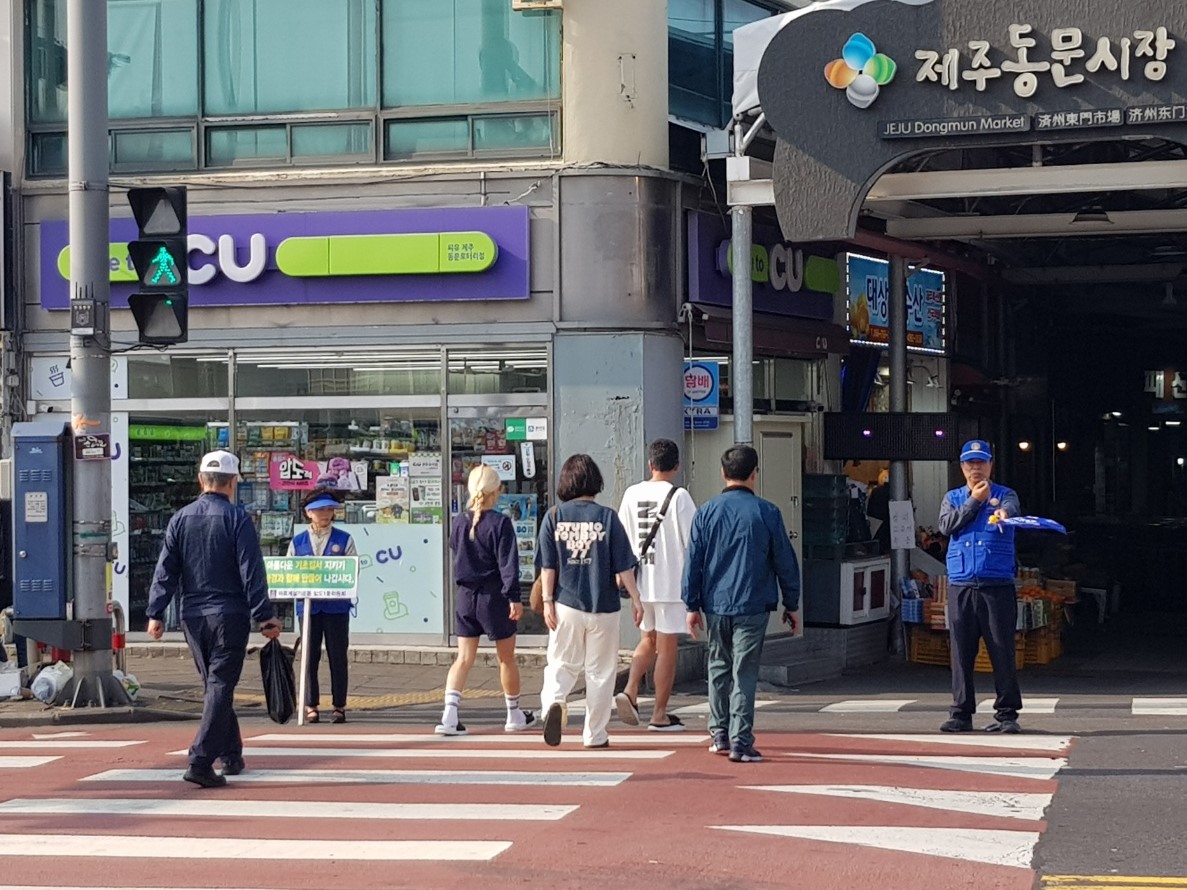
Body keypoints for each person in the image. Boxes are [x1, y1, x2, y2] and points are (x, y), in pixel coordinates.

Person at [146, 450, 281, 789]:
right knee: (220, 685)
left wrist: (155, 612)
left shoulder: (180, 518)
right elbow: (252, 571)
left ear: (200, 479)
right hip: (230, 614)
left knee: (215, 686)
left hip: (192, 615)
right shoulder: (237, 518)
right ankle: (201, 759)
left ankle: (231, 754)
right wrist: (264, 616)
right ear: (233, 482)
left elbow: (166, 569)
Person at [683, 445, 801, 764]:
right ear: (755, 474)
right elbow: (785, 563)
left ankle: (719, 732)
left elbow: (693, 561)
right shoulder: (768, 512)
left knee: (718, 665)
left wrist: (691, 605)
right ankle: (741, 739)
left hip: (715, 603)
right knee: (744, 670)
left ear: (723, 473)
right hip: (753, 602)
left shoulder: (706, 512)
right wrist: (792, 603)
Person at [536, 454, 643, 748]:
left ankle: (554, 704)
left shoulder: (554, 516)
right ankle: (595, 734)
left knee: (561, 663)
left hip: (566, 605)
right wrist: (636, 599)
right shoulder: (607, 517)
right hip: (604, 607)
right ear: (595, 481)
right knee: (600, 672)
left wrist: (547, 602)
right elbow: (624, 566)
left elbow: (548, 567)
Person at [437, 465, 535, 735]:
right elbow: (508, 565)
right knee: (506, 659)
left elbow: (455, 550)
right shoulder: (500, 523)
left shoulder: (459, 522)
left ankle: (449, 715)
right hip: (494, 598)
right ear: (497, 491)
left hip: (465, 597)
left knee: (463, 658)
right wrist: (514, 598)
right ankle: (514, 714)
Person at [937, 439, 1024, 734]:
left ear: (990, 465)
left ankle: (1007, 714)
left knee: (1002, 649)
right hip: (962, 583)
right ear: (962, 467)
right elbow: (946, 526)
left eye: (981, 462)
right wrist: (974, 502)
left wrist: (1000, 512)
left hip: (996, 584)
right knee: (961, 653)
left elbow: (1010, 510)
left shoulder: (1005, 494)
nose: (976, 468)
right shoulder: (953, 497)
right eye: (970, 463)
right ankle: (961, 713)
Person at [614, 438, 697, 732]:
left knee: (647, 640)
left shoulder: (631, 493)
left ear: (650, 464)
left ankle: (630, 689)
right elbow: (693, 543)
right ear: (676, 466)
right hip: (671, 584)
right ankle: (659, 714)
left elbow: (621, 541)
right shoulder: (680, 497)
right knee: (667, 647)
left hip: (640, 584)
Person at [288, 488, 357, 725]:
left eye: (329, 509)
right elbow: (289, 572)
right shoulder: (297, 542)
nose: (326, 513)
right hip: (308, 608)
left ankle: (339, 705)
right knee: (309, 656)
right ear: (308, 513)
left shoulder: (344, 539)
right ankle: (310, 704)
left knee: (338, 656)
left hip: (336, 607)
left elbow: (352, 571)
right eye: (320, 509)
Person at [866, 468, 891, 553]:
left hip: (878, 527)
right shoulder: (902, 492)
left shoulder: (876, 491)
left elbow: (870, 511)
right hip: (894, 529)